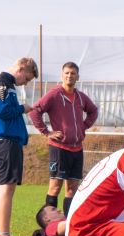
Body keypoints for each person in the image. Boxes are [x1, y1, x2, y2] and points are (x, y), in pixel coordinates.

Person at [29, 62, 98, 216]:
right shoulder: (54, 94)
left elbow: (93, 111)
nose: (69, 76)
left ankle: (68, 226)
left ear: (77, 77)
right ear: (62, 75)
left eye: (73, 73)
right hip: (59, 148)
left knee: (72, 188)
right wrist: (47, 132)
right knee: (55, 186)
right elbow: (34, 111)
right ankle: (50, 225)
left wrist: (83, 126)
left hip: (77, 148)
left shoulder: (81, 97)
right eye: (66, 73)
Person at [0, 57, 38, 236]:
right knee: (7, 190)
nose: (25, 83)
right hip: (7, 142)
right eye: (27, 78)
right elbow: (2, 111)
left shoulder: (7, 85)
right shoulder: (3, 84)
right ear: (21, 68)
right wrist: (22, 108)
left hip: (6, 142)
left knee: (1, 190)